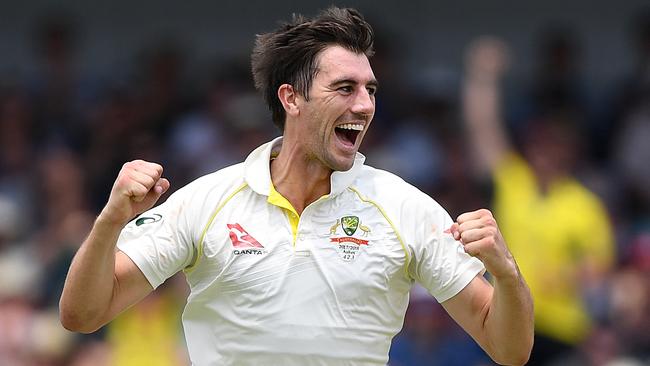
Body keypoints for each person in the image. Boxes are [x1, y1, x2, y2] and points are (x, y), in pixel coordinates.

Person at [60, 7, 533, 365]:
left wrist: (507, 273)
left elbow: (508, 349)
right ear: (292, 98)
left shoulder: (404, 206)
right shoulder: (206, 200)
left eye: (371, 89)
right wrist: (110, 223)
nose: (365, 104)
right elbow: (83, 314)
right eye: (345, 88)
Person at [462, 37, 614, 365]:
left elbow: (598, 272)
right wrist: (482, 77)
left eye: (553, 146)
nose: (543, 153)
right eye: (538, 143)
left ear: (569, 151)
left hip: (561, 330)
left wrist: (565, 277)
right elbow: (482, 127)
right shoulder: (515, 181)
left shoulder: (585, 205)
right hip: (505, 319)